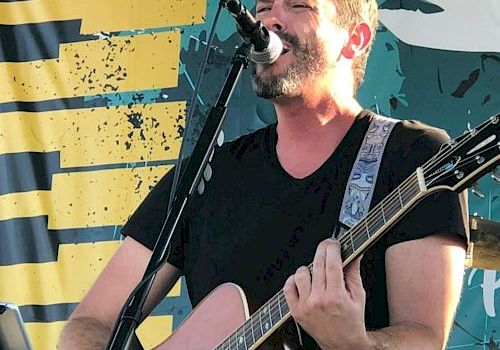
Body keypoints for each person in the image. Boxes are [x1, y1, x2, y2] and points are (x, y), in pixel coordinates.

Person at [59, 0, 468, 349]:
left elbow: (424, 336)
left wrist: (357, 344)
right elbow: (90, 324)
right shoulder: (207, 174)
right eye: (263, 8)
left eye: (298, 5)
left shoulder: (413, 156)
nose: (270, 20)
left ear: (354, 38)